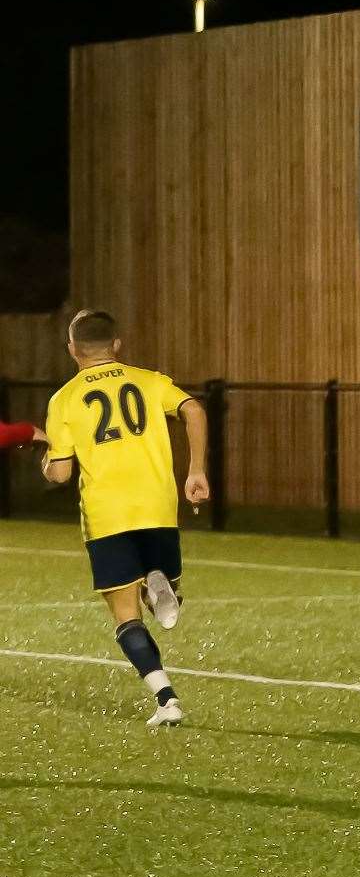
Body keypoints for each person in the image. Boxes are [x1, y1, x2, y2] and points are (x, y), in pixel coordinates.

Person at [41, 310, 210, 727]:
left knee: (124, 616)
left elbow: (60, 473)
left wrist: (46, 461)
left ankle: (166, 699)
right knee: (166, 587)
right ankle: (159, 587)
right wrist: (196, 470)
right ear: (116, 345)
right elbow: (193, 409)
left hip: (107, 515)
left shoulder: (64, 398)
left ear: (72, 350)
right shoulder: (150, 381)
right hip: (157, 504)